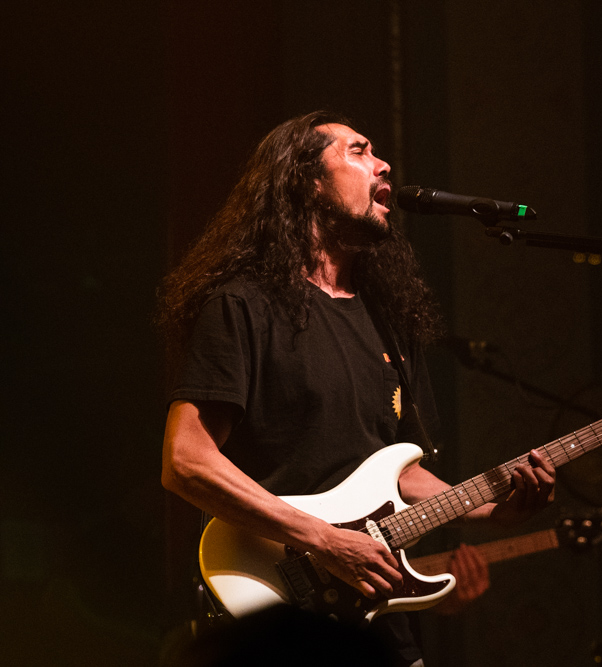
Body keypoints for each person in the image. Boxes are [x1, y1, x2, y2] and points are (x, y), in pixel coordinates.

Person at [156, 111, 555, 667]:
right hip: (272, 615)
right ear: (306, 182)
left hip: (376, 626)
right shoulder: (243, 305)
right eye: (359, 151)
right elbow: (185, 461)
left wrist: (491, 511)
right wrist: (324, 539)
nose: (383, 163)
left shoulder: (389, 320)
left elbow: (404, 472)